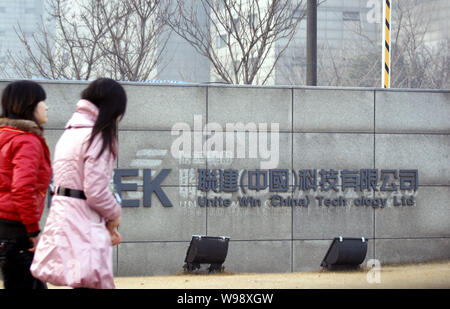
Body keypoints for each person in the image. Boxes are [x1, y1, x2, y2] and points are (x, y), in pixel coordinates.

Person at [30, 78, 126, 289]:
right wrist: (115, 214)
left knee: (79, 280)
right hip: (85, 223)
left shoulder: (70, 132)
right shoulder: (98, 136)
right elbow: (96, 192)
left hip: (64, 219)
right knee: (94, 282)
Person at [0, 80, 51, 289]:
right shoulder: (27, 141)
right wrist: (33, 230)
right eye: (42, 102)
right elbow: (22, 188)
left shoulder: (5, 135)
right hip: (18, 231)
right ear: (29, 104)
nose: (46, 107)